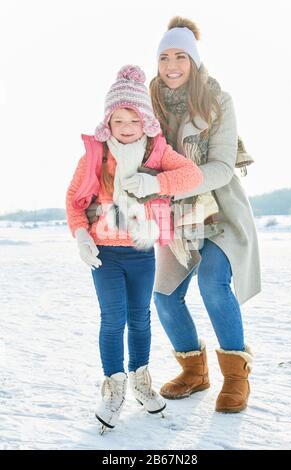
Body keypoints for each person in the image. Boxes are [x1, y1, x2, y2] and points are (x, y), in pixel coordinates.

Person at [86, 17, 262, 414]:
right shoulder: (148, 99)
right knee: (165, 298)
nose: (171, 65)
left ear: (194, 61)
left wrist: (160, 184)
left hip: (217, 211)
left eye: (181, 56)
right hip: (170, 217)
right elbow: (123, 138)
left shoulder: (218, 101)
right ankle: (193, 371)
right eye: (164, 57)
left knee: (214, 284)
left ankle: (236, 377)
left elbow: (221, 168)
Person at [65, 64, 203, 431]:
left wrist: (154, 183)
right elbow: (73, 201)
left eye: (133, 120)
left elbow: (193, 175)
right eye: (118, 121)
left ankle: (142, 382)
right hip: (104, 254)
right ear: (107, 124)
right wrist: (80, 235)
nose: (126, 128)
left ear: (145, 122)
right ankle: (113, 388)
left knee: (140, 318)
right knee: (113, 320)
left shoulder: (156, 154)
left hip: (141, 251)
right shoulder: (95, 157)